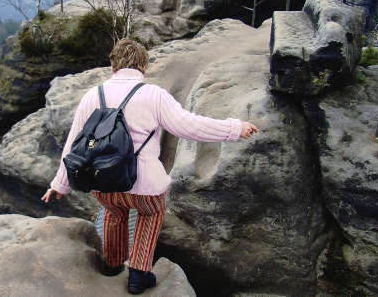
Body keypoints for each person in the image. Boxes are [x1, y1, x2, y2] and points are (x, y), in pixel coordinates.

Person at [41, 38, 257, 294]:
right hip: (144, 187)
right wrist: (234, 128)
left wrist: (59, 184)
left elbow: (73, 146)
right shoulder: (153, 95)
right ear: (143, 65)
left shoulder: (92, 95)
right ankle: (138, 274)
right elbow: (190, 126)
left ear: (113, 65)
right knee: (150, 214)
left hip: (103, 182)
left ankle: (112, 264)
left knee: (114, 212)